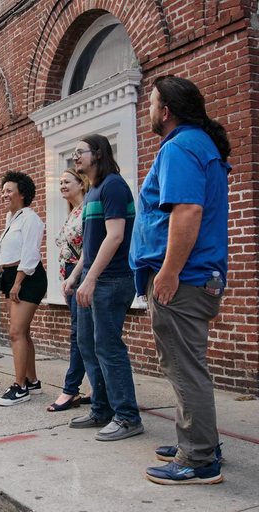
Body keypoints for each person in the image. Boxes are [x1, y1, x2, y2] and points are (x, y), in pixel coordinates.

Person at [131, 75, 231, 485]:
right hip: (194, 276)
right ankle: (196, 439)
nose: (148, 110)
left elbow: (187, 211)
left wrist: (168, 273)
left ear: (166, 110)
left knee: (184, 367)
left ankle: (199, 458)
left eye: (151, 103)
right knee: (183, 364)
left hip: (182, 278)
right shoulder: (197, 145)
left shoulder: (180, 146)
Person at [61, 134, 144, 441]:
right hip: (93, 278)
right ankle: (102, 409)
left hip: (113, 280)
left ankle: (128, 417)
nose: (74, 157)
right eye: (72, 153)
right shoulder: (94, 189)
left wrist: (92, 278)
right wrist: (76, 276)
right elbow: (92, 244)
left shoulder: (113, 186)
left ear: (97, 153)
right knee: (88, 345)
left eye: (79, 152)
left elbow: (116, 236)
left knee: (109, 348)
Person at [0, 171, 47, 407]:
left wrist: (17, 282)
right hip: (11, 276)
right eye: (3, 190)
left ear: (22, 193)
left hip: (27, 276)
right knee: (22, 332)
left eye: (9, 190)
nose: (4, 194)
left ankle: (20, 387)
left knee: (15, 333)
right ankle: (32, 380)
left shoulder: (30, 218)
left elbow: (30, 253)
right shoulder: (11, 219)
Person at [48, 168, 91, 412]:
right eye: (60, 182)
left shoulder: (86, 210)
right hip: (70, 278)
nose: (62, 185)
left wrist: (74, 279)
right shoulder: (72, 212)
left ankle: (70, 388)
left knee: (79, 335)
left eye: (67, 181)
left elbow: (89, 249)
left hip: (81, 276)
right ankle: (95, 386)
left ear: (81, 183)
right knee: (84, 334)